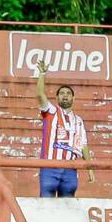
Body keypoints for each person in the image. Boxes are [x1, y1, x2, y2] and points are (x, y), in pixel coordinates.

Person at [34, 58, 95, 197]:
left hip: (70, 170)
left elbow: (83, 146)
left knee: (67, 207)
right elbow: (39, 95)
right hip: (50, 166)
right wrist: (42, 74)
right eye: (62, 93)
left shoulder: (79, 121)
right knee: (46, 204)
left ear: (73, 98)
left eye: (68, 94)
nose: (65, 96)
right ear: (57, 98)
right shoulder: (51, 111)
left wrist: (90, 169)